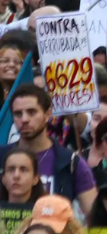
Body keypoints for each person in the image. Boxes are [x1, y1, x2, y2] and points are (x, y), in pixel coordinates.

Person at [0, 83, 97, 213]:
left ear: (47, 114)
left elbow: (94, 216)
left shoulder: (70, 162)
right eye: (18, 114)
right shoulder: (2, 157)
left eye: (31, 112)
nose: (24, 119)